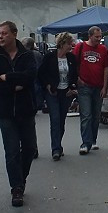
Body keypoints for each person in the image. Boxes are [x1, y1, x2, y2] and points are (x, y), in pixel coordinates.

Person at [0, 20, 38, 207]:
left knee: (30, 148)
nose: (0, 36)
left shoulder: (27, 55)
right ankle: (16, 189)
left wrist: (8, 77)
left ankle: (20, 179)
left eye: (4, 33)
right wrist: (15, 85)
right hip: (5, 111)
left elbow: (31, 76)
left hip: (26, 108)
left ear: (14, 34)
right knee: (12, 151)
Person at [37, 32, 78, 160]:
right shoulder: (49, 57)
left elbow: (75, 75)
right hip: (52, 92)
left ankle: (58, 145)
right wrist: (48, 85)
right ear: (62, 43)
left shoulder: (71, 58)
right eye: (69, 43)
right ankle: (55, 149)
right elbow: (41, 74)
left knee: (61, 121)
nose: (71, 46)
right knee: (55, 119)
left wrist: (72, 88)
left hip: (66, 93)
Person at [73, 26, 108, 154]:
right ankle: (85, 143)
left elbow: (105, 68)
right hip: (84, 86)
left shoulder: (103, 49)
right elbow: (73, 63)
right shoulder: (80, 47)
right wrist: (77, 79)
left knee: (96, 115)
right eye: (96, 37)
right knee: (86, 115)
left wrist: (105, 86)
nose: (99, 39)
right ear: (90, 36)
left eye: (100, 36)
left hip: (98, 86)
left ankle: (93, 140)